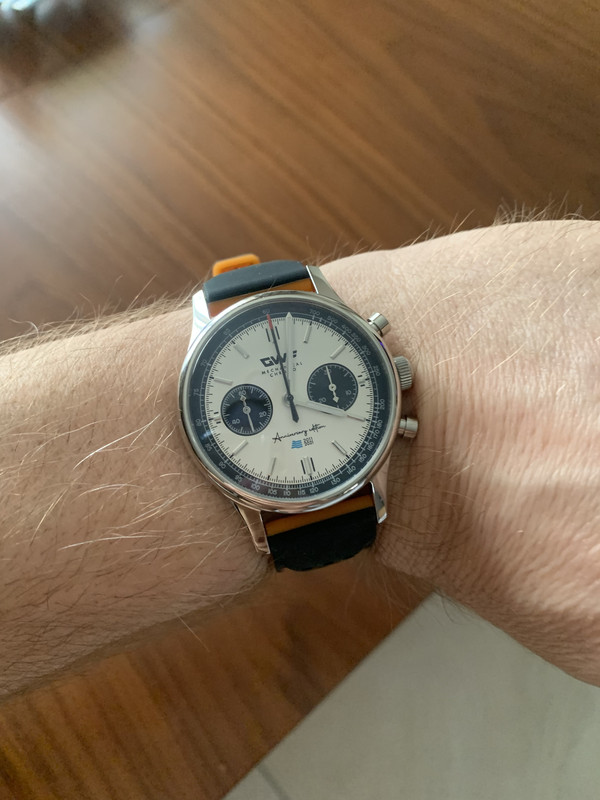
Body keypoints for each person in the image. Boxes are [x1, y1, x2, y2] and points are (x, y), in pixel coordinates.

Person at [0, 218, 598, 699]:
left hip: (342, 472)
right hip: (290, 489)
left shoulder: (364, 392)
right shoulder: (210, 408)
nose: (289, 406)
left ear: (392, 371)